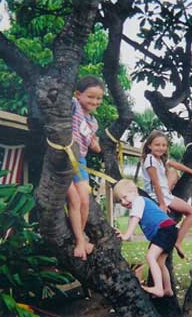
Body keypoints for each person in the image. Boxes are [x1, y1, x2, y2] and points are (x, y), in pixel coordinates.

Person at [141, 130, 192, 259]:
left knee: (173, 172)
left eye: (164, 145)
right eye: (157, 145)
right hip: (161, 196)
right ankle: (178, 242)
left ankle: (177, 241)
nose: (161, 148)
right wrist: (162, 204)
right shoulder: (150, 160)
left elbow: (175, 164)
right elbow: (156, 184)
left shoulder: (158, 159)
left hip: (165, 194)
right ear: (149, 146)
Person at [114, 179, 179, 297]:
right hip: (168, 231)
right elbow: (131, 237)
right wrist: (124, 236)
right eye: (120, 200)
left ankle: (159, 289)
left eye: (124, 197)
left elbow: (134, 220)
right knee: (160, 262)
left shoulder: (139, 201)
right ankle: (168, 290)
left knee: (150, 256)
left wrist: (126, 235)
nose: (123, 202)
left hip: (165, 230)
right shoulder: (138, 205)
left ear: (134, 192)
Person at [67, 76, 103, 260]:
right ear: (78, 95)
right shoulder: (73, 106)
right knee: (74, 199)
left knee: (84, 200)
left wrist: (96, 145)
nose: (95, 101)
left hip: (80, 160)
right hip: (63, 158)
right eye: (90, 97)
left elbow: (92, 143)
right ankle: (80, 241)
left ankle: (79, 238)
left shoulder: (93, 122)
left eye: (98, 98)